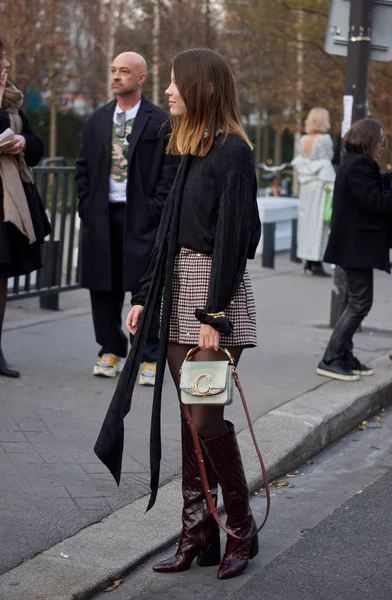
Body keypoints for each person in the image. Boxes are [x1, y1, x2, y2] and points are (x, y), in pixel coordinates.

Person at [94, 48, 262, 580]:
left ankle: (240, 528)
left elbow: (238, 236)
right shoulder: (188, 147)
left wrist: (214, 314)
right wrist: (144, 295)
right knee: (191, 418)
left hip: (216, 296)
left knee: (206, 415)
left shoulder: (233, 153)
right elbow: (167, 233)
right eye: (165, 82)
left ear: (205, 89)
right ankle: (198, 532)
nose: (167, 91)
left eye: (175, 82)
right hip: (176, 289)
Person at [75, 52, 179, 384]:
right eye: (113, 71)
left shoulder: (160, 120)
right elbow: (83, 168)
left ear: (141, 78)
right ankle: (110, 349)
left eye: (124, 71)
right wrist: (87, 207)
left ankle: (147, 354)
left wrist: (154, 209)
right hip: (102, 218)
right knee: (102, 286)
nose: (116, 76)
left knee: (142, 285)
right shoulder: (97, 119)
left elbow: (170, 170)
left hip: (142, 219)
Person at [317, 118, 392, 382]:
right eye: (380, 142)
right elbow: (374, 201)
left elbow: (372, 185)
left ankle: (343, 354)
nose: (382, 147)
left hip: (353, 246)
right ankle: (331, 357)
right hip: (357, 247)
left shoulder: (354, 163)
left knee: (352, 301)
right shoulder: (360, 164)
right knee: (361, 302)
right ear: (369, 141)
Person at [0, 41, 50, 377]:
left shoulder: (13, 104)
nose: (5, 75)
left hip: (7, 202)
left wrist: (22, 143)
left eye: (5, 69)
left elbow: (37, 146)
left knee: (0, 277)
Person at [292, 107, 336, 276]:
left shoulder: (303, 140)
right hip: (320, 185)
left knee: (306, 224)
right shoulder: (325, 139)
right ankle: (317, 261)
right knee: (320, 223)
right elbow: (326, 161)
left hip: (306, 185)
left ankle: (308, 260)